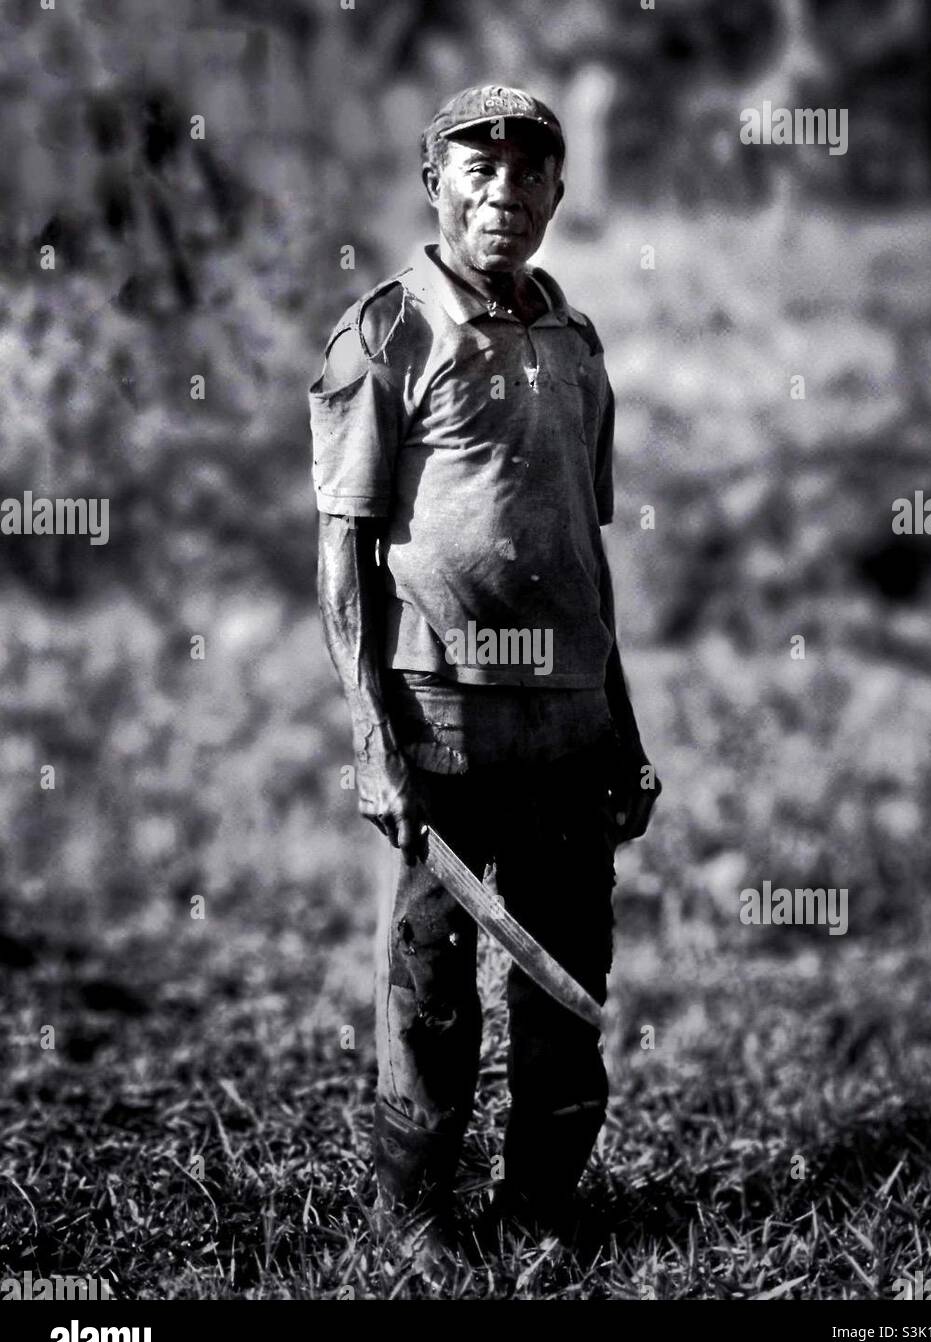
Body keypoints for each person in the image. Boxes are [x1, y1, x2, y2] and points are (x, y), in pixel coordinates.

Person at [309, 84, 659, 1266]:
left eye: (528, 172)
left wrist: (622, 726)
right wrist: (372, 734)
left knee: (566, 976)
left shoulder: (575, 341)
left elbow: (582, 551)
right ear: (432, 184)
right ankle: (414, 1216)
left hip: (564, 726)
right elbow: (343, 550)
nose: (502, 191)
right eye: (477, 168)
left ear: (557, 192)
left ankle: (541, 1210)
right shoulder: (387, 332)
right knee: (431, 982)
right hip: (442, 720)